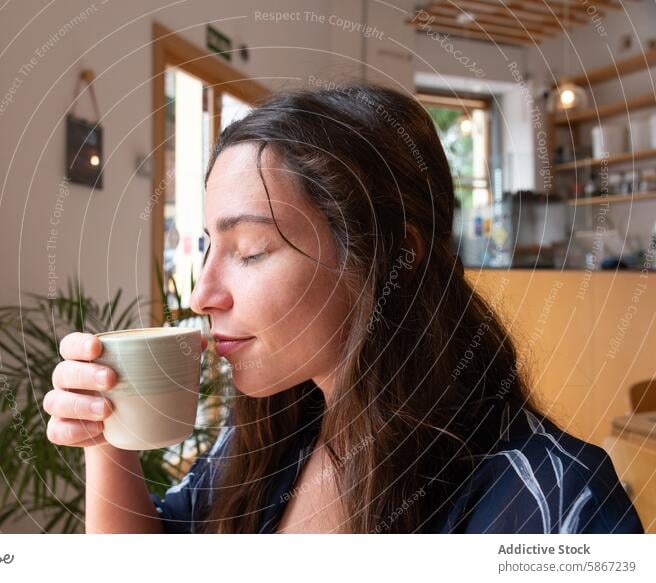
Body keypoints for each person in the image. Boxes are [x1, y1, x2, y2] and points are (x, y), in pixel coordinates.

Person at [44, 82, 643, 534]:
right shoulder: (272, 436)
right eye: (207, 246)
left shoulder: (556, 505)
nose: (202, 294)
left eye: (250, 250)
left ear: (394, 260)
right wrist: (107, 438)